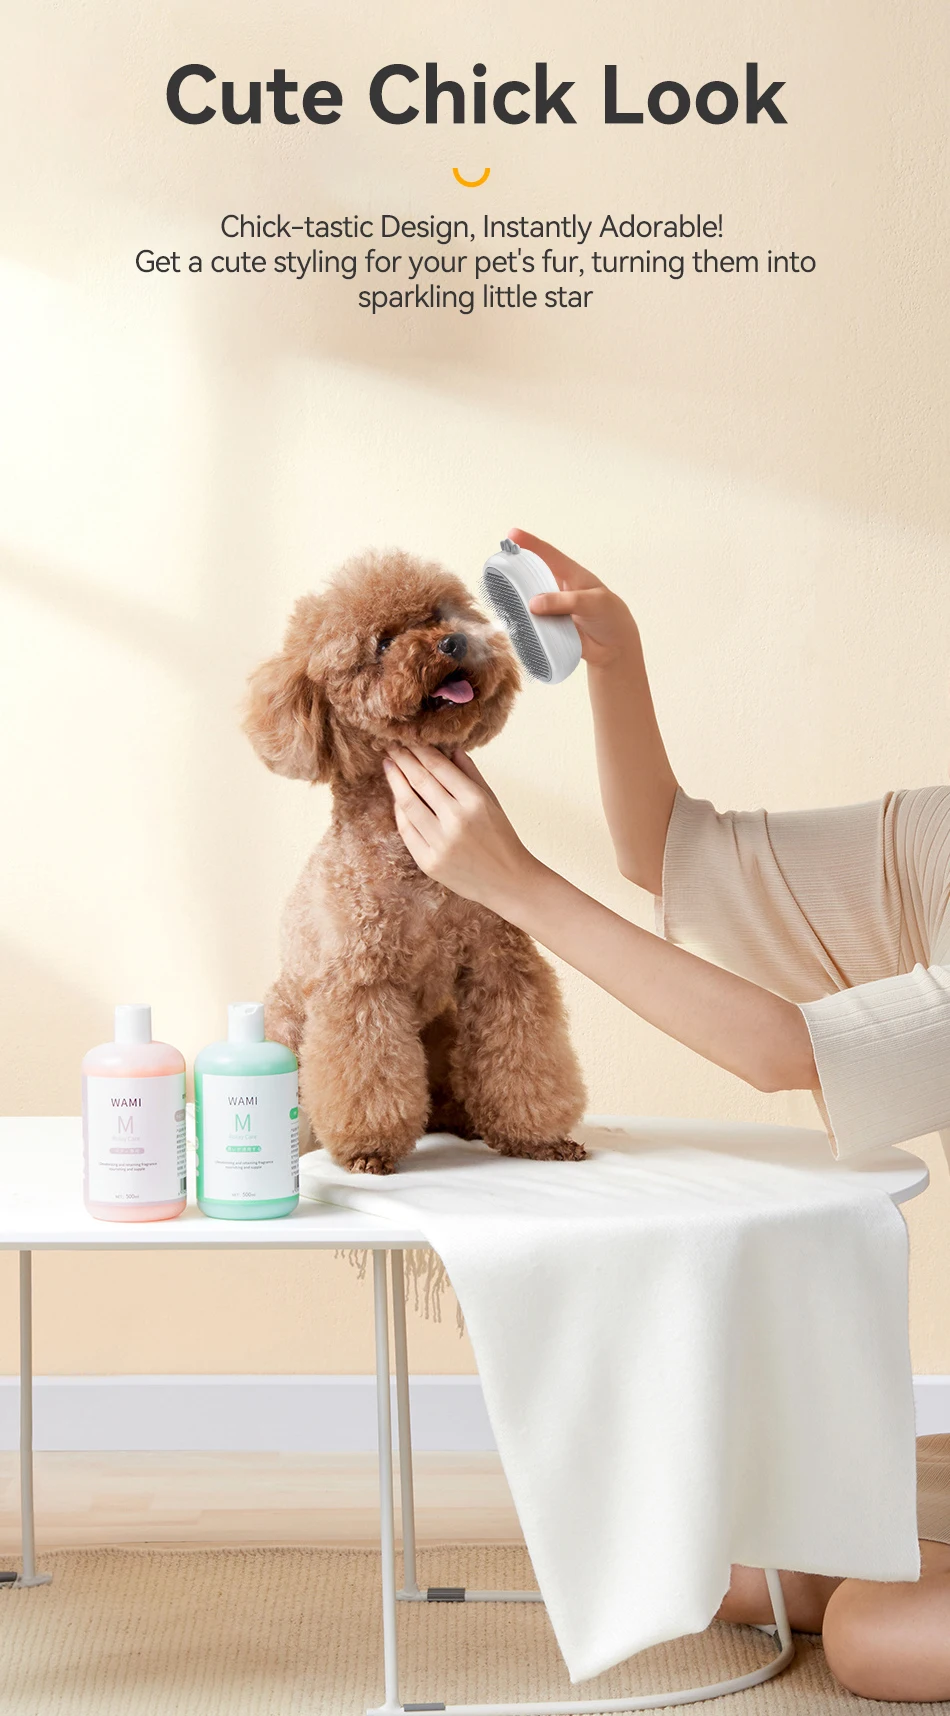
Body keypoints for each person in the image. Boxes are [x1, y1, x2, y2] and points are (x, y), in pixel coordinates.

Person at [382, 527, 950, 1702]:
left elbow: (780, 1052)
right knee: (734, 1567)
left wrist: (515, 885)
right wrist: (614, 661)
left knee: (869, 1636)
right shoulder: (933, 837)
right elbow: (676, 856)